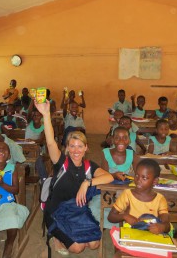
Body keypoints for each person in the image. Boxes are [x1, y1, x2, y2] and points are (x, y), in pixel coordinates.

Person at [34, 99, 113, 255]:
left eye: (80, 146)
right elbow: (50, 143)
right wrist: (46, 114)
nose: (76, 150)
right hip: (56, 212)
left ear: (86, 148)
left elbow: (108, 177)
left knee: (94, 244)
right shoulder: (61, 163)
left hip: (76, 212)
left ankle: (68, 234)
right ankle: (55, 237)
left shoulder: (89, 166)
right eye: (72, 146)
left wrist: (86, 183)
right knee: (77, 248)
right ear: (67, 148)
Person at [90, 127, 137, 229]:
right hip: (108, 191)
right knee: (94, 208)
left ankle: (122, 226)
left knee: (137, 209)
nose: (121, 141)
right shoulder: (106, 153)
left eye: (125, 138)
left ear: (129, 140)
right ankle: (114, 226)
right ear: (112, 139)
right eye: (117, 138)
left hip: (126, 192)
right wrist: (114, 175)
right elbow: (104, 177)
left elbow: (138, 176)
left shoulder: (132, 154)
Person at [108, 159, 171, 235]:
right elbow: (111, 217)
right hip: (130, 234)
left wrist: (162, 227)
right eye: (137, 175)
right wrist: (125, 216)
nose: (138, 180)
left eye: (144, 178)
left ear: (154, 181)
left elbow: (167, 225)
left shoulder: (160, 199)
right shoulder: (127, 194)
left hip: (151, 236)